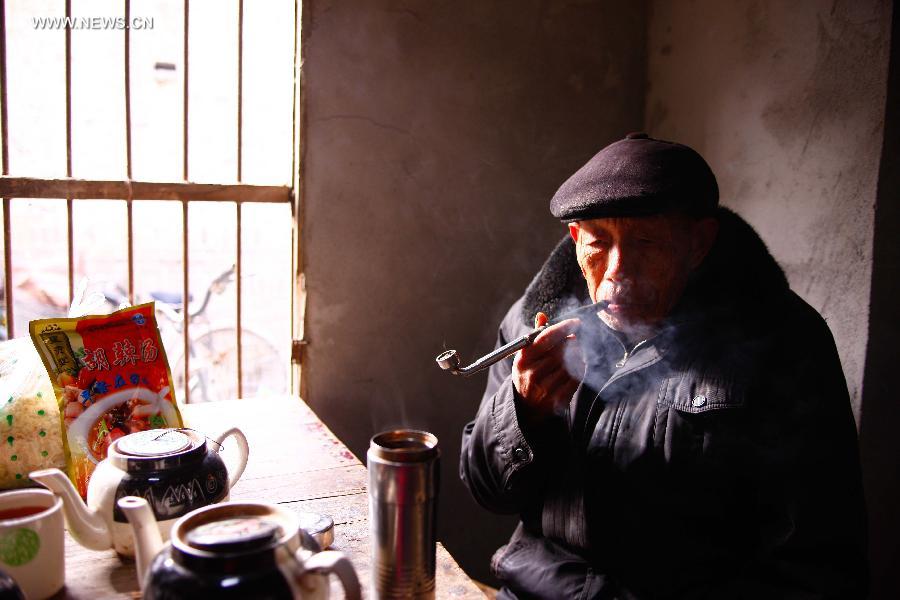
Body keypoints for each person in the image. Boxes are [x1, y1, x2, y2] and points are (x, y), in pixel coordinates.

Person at [459, 133, 868, 599]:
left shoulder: (779, 342)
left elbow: (817, 565)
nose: (618, 271)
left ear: (699, 243)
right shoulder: (537, 321)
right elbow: (486, 491)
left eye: (646, 241)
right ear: (574, 239)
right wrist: (523, 412)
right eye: (598, 242)